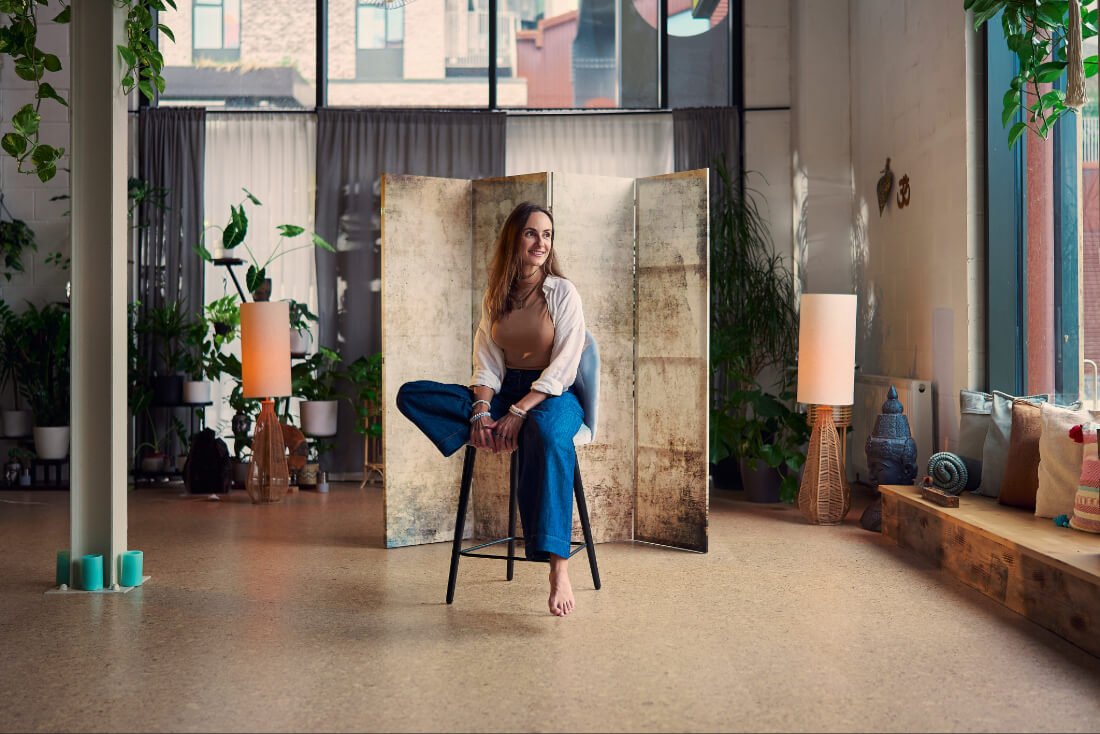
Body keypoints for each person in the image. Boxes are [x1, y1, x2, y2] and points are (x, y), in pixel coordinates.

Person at [396, 201, 588, 617]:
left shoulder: (562, 292)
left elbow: (565, 365)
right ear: (514, 239)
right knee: (412, 394)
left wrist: (520, 412)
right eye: (531, 233)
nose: (540, 242)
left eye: (547, 234)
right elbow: (486, 364)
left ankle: (558, 568)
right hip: (504, 394)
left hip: (553, 395)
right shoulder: (496, 294)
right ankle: (486, 433)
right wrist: (482, 412)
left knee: (547, 432)